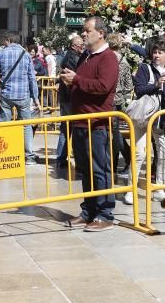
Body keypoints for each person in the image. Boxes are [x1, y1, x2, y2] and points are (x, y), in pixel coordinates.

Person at [58, 17, 119, 230]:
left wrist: (76, 80)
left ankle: (105, 214)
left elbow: (103, 86)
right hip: (80, 122)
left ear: (100, 33)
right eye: (83, 31)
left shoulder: (108, 58)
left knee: (100, 170)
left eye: (87, 30)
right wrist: (69, 81)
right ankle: (88, 211)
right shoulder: (85, 55)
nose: (84, 34)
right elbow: (83, 83)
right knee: (85, 170)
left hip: (97, 124)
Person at [133, 40, 165, 203]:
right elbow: (139, 90)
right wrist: (155, 84)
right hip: (144, 118)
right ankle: (131, 189)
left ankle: (159, 188)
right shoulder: (145, 68)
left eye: (160, 53)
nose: (156, 55)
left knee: (164, 153)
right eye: (155, 52)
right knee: (139, 153)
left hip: (163, 120)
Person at [0, 32, 39, 163]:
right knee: (26, 125)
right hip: (23, 95)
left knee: (5, 124)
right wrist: (36, 97)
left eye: (5, 41)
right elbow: (32, 77)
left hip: (6, 94)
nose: (4, 43)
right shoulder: (26, 55)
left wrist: (0, 74)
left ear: (8, 40)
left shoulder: (1, 53)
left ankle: (7, 154)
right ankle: (29, 156)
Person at [106, 33, 135, 182]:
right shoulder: (124, 62)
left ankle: (122, 159)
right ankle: (125, 158)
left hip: (107, 100)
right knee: (114, 132)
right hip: (118, 100)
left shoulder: (106, 59)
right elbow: (129, 85)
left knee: (114, 133)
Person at [54, 33, 84, 169]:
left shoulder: (70, 56)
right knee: (71, 129)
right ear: (73, 46)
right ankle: (69, 159)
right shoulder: (73, 58)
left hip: (66, 98)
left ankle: (61, 158)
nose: (82, 47)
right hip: (70, 99)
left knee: (65, 129)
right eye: (80, 45)